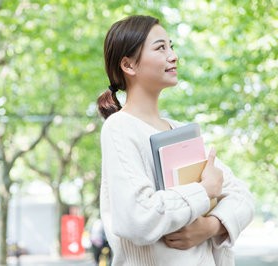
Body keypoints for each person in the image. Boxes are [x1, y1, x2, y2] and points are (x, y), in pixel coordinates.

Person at [97, 15, 254, 266]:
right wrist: (203, 191)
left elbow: (243, 197)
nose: (173, 56)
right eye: (161, 48)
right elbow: (138, 217)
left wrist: (211, 227)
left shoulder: (179, 130)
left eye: (171, 46)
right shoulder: (119, 128)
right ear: (128, 65)